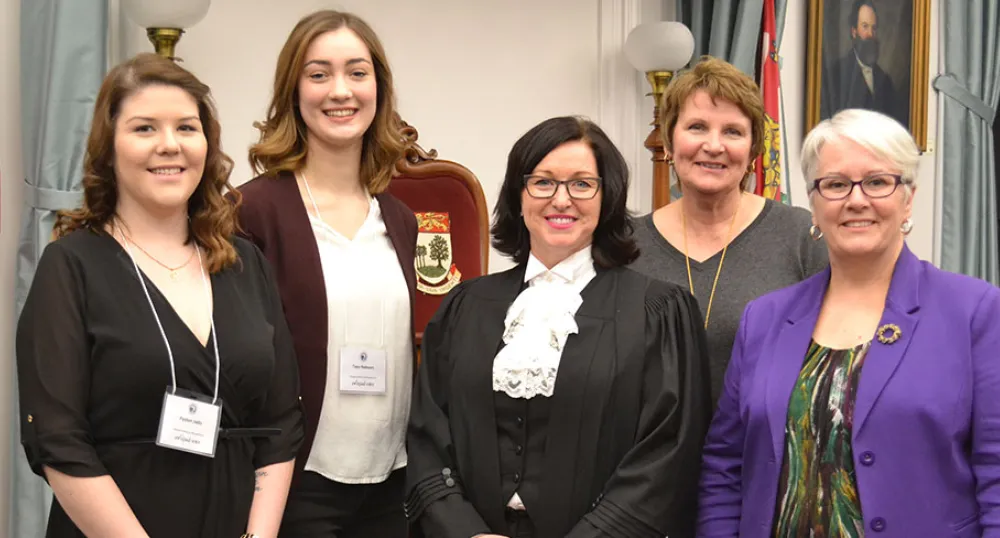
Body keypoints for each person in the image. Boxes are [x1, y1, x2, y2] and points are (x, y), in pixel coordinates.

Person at [15, 53, 303, 538]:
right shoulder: (70, 266)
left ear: (207, 145)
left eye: (186, 128)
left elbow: (281, 421)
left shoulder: (244, 263)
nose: (169, 145)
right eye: (145, 128)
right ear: (108, 148)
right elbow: (58, 440)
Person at [697, 108, 1000, 537]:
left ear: (907, 197)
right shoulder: (763, 319)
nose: (856, 200)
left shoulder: (975, 311)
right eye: (836, 184)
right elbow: (724, 465)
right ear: (814, 205)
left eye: (877, 182)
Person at [406, 116, 712, 538]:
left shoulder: (658, 311)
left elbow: (667, 455)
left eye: (582, 184)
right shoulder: (465, 306)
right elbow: (426, 437)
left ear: (608, 197)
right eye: (543, 182)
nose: (561, 200)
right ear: (518, 195)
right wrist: (464, 532)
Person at [237, 9, 416, 537]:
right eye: (319, 74)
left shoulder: (400, 218)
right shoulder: (252, 211)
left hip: (391, 483)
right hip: (295, 485)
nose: (341, 90)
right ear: (293, 91)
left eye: (357, 73)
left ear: (378, 88)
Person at [630, 56, 828, 405]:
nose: (714, 145)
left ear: (753, 150)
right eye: (697, 127)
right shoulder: (627, 244)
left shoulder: (803, 237)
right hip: (646, 455)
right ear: (670, 142)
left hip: (762, 454)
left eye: (733, 131)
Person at [820, 0, 908, 127]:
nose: (870, 34)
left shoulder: (885, 80)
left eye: (873, 28)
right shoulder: (836, 73)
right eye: (865, 26)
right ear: (854, 31)